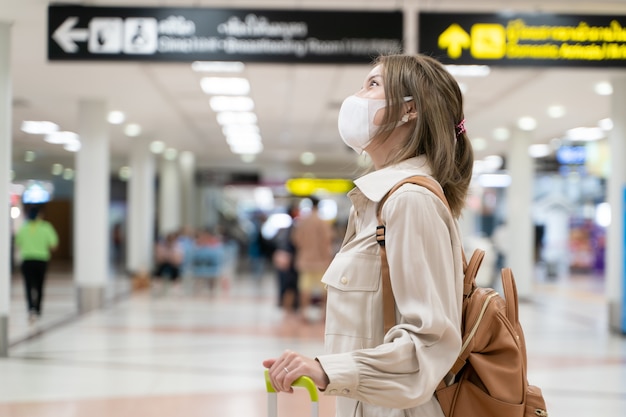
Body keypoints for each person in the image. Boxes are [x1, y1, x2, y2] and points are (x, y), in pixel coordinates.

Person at [263, 53, 473, 417]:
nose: (358, 95)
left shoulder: (409, 201)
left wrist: (327, 370)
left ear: (410, 110)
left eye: (373, 84)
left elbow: (430, 342)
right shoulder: (376, 203)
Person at [290, 196, 333, 322]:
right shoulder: (323, 221)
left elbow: (296, 240)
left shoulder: (303, 221)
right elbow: (327, 240)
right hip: (321, 260)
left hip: (305, 259)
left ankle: (304, 313)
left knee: (305, 288)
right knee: (324, 289)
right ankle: (323, 314)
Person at [14, 204, 59, 323]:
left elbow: (18, 243)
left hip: (27, 260)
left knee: (28, 285)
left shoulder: (24, 228)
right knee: (39, 285)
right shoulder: (46, 227)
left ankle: (31, 308)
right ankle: (38, 309)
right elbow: (54, 244)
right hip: (41, 260)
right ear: (40, 215)